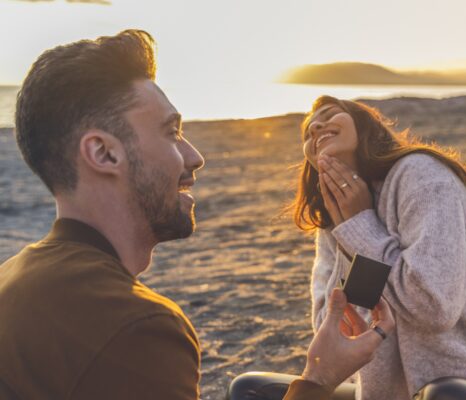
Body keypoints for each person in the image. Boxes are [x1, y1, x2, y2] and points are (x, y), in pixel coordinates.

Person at [0, 30, 394, 400]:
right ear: (104, 153)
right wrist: (317, 381)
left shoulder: (13, 277)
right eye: (171, 133)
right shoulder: (138, 329)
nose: (195, 157)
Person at [289, 95, 466, 399]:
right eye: (308, 131)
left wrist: (362, 225)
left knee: (445, 394)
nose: (317, 125)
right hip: (382, 393)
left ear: (364, 126)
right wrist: (350, 228)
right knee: (250, 389)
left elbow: (434, 307)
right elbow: (332, 330)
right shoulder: (335, 220)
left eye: (331, 114)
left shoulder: (423, 176)